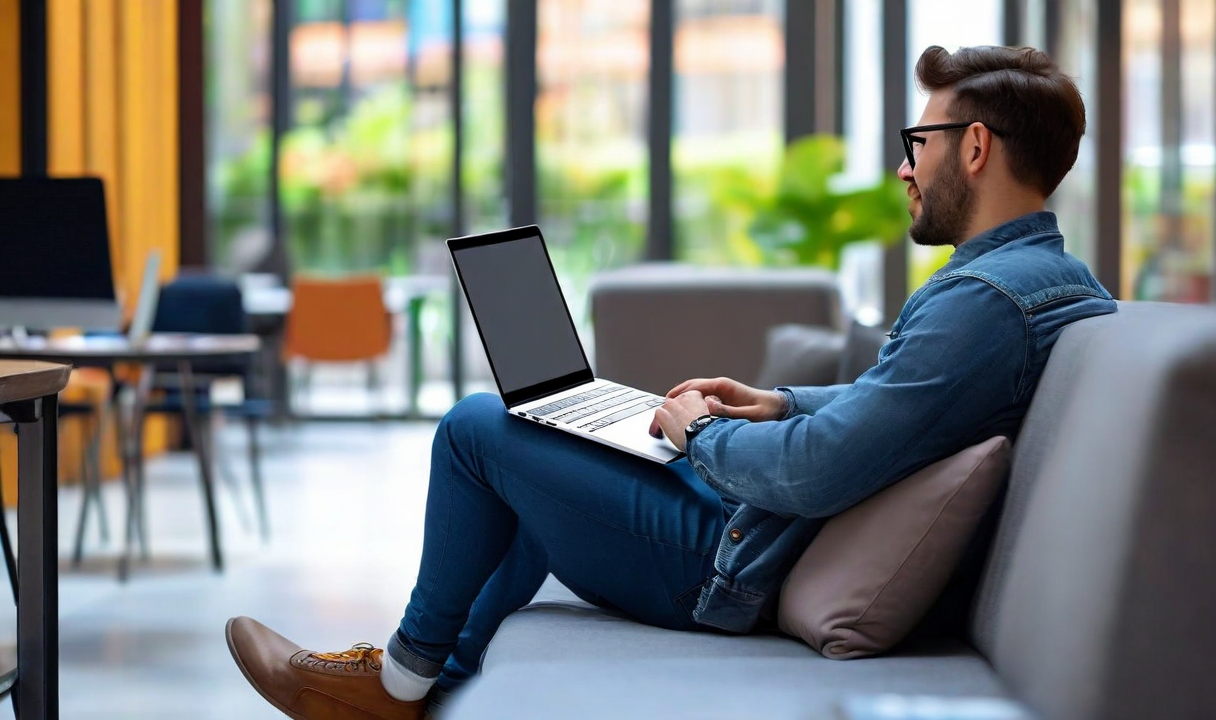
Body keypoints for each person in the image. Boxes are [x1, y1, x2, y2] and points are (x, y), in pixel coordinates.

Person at [226, 44, 1118, 720]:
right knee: (550, 437)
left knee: (473, 429)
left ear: (971, 147)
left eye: (915, 141)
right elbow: (897, 413)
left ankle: (398, 682)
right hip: (769, 536)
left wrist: (699, 434)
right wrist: (778, 402)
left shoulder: (983, 304)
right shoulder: (1050, 286)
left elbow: (816, 473)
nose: (902, 165)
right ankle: (422, 681)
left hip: (738, 571)